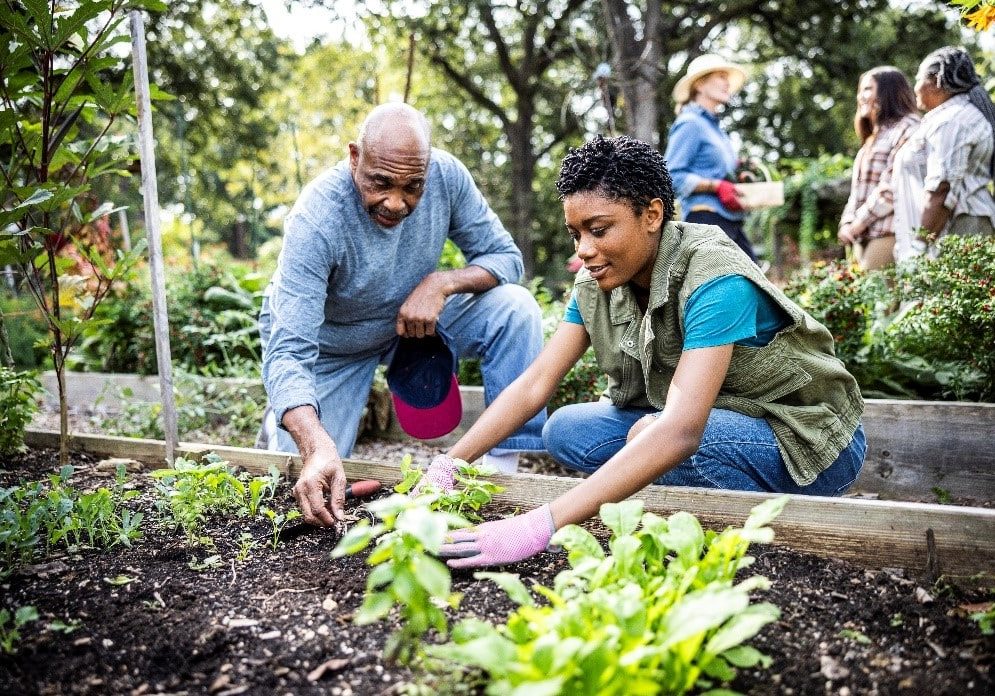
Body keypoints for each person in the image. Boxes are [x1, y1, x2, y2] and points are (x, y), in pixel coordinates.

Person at [427, 135, 866, 570]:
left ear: (652, 214)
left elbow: (680, 431)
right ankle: (683, 494)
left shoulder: (714, 275)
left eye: (598, 230)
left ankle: (758, 536)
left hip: (806, 441)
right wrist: (450, 464)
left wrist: (542, 524)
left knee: (658, 438)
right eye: (576, 233)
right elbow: (534, 385)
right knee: (565, 430)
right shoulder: (598, 283)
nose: (584, 249)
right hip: (716, 419)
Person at [259, 103, 546, 527]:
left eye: (413, 186)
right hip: (331, 346)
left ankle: (501, 474)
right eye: (381, 183)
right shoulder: (317, 218)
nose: (396, 202)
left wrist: (441, 283)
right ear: (355, 157)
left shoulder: (447, 176)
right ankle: (284, 434)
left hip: (412, 325)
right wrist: (315, 443)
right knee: (296, 488)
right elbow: (287, 353)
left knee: (516, 308)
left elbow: (505, 257)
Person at [893, 46, 995, 264]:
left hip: (959, 229)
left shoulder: (953, 121)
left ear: (936, 81)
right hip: (953, 228)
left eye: (918, 79)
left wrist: (919, 245)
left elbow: (942, 187)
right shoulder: (954, 116)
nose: (915, 88)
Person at [664, 54, 757, 263]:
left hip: (729, 221)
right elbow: (670, 177)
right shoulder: (690, 123)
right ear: (699, 84)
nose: (727, 83)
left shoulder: (715, 129)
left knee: (756, 283)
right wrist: (715, 186)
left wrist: (739, 171)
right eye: (721, 76)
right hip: (704, 220)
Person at [838, 67, 920, 271]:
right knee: (864, 298)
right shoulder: (873, 137)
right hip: (863, 234)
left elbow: (892, 187)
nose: (861, 96)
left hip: (889, 231)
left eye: (867, 89)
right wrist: (847, 223)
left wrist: (858, 223)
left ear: (888, 92)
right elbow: (858, 192)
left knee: (880, 300)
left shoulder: (908, 128)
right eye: (861, 90)